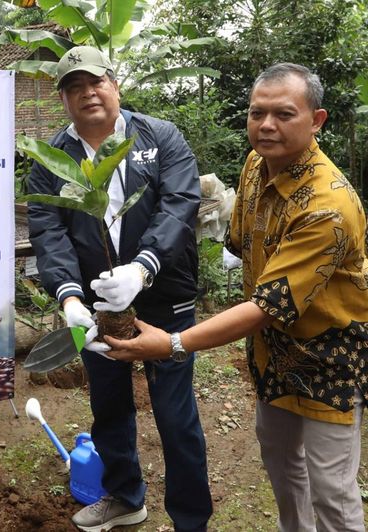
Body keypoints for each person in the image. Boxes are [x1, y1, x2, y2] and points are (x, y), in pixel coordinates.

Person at [104, 63, 368, 531]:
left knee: (331, 489)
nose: (266, 126)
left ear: (317, 120)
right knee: (282, 467)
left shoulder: (328, 205)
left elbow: (267, 306)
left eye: (284, 114)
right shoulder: (255, 165)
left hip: (330, 357)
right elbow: (241, 241)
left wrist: (173, 343)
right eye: (257, 113)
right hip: (274, 355)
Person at [27, 46, 212, 531]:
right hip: (95, 306)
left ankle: (190, 520)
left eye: (96, 82)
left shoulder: (159, 136)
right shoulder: (52, 157)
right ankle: (127, 498)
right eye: (73, 86)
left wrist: (142, 267)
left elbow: (180, 203)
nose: (86, 92)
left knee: (175, 416)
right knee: (108, 407)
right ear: (63, 99)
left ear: (115, 86)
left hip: (163, 295)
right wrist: (69, 296)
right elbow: (48, 230)